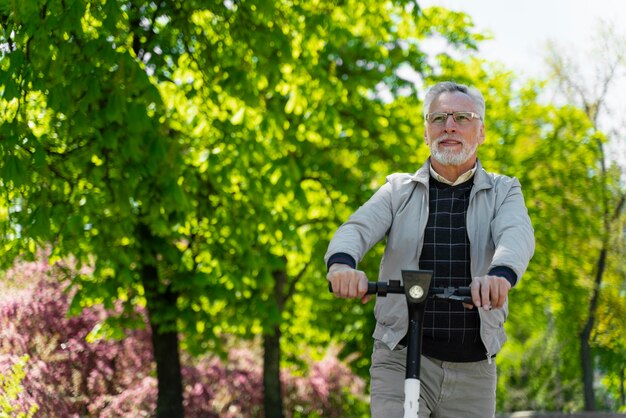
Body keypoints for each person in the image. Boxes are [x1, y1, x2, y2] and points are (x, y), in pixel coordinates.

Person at [325, 81, 535, 418]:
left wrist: (499, 276)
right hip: (400, 355)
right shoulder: (397, 190)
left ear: (481, 132)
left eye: (462, 118)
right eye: (438, 118)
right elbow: (356, 229)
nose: (449, 126)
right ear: (426, 132)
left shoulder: (504, 191)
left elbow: (516, 235)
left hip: (473, 370)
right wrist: (341, 267)